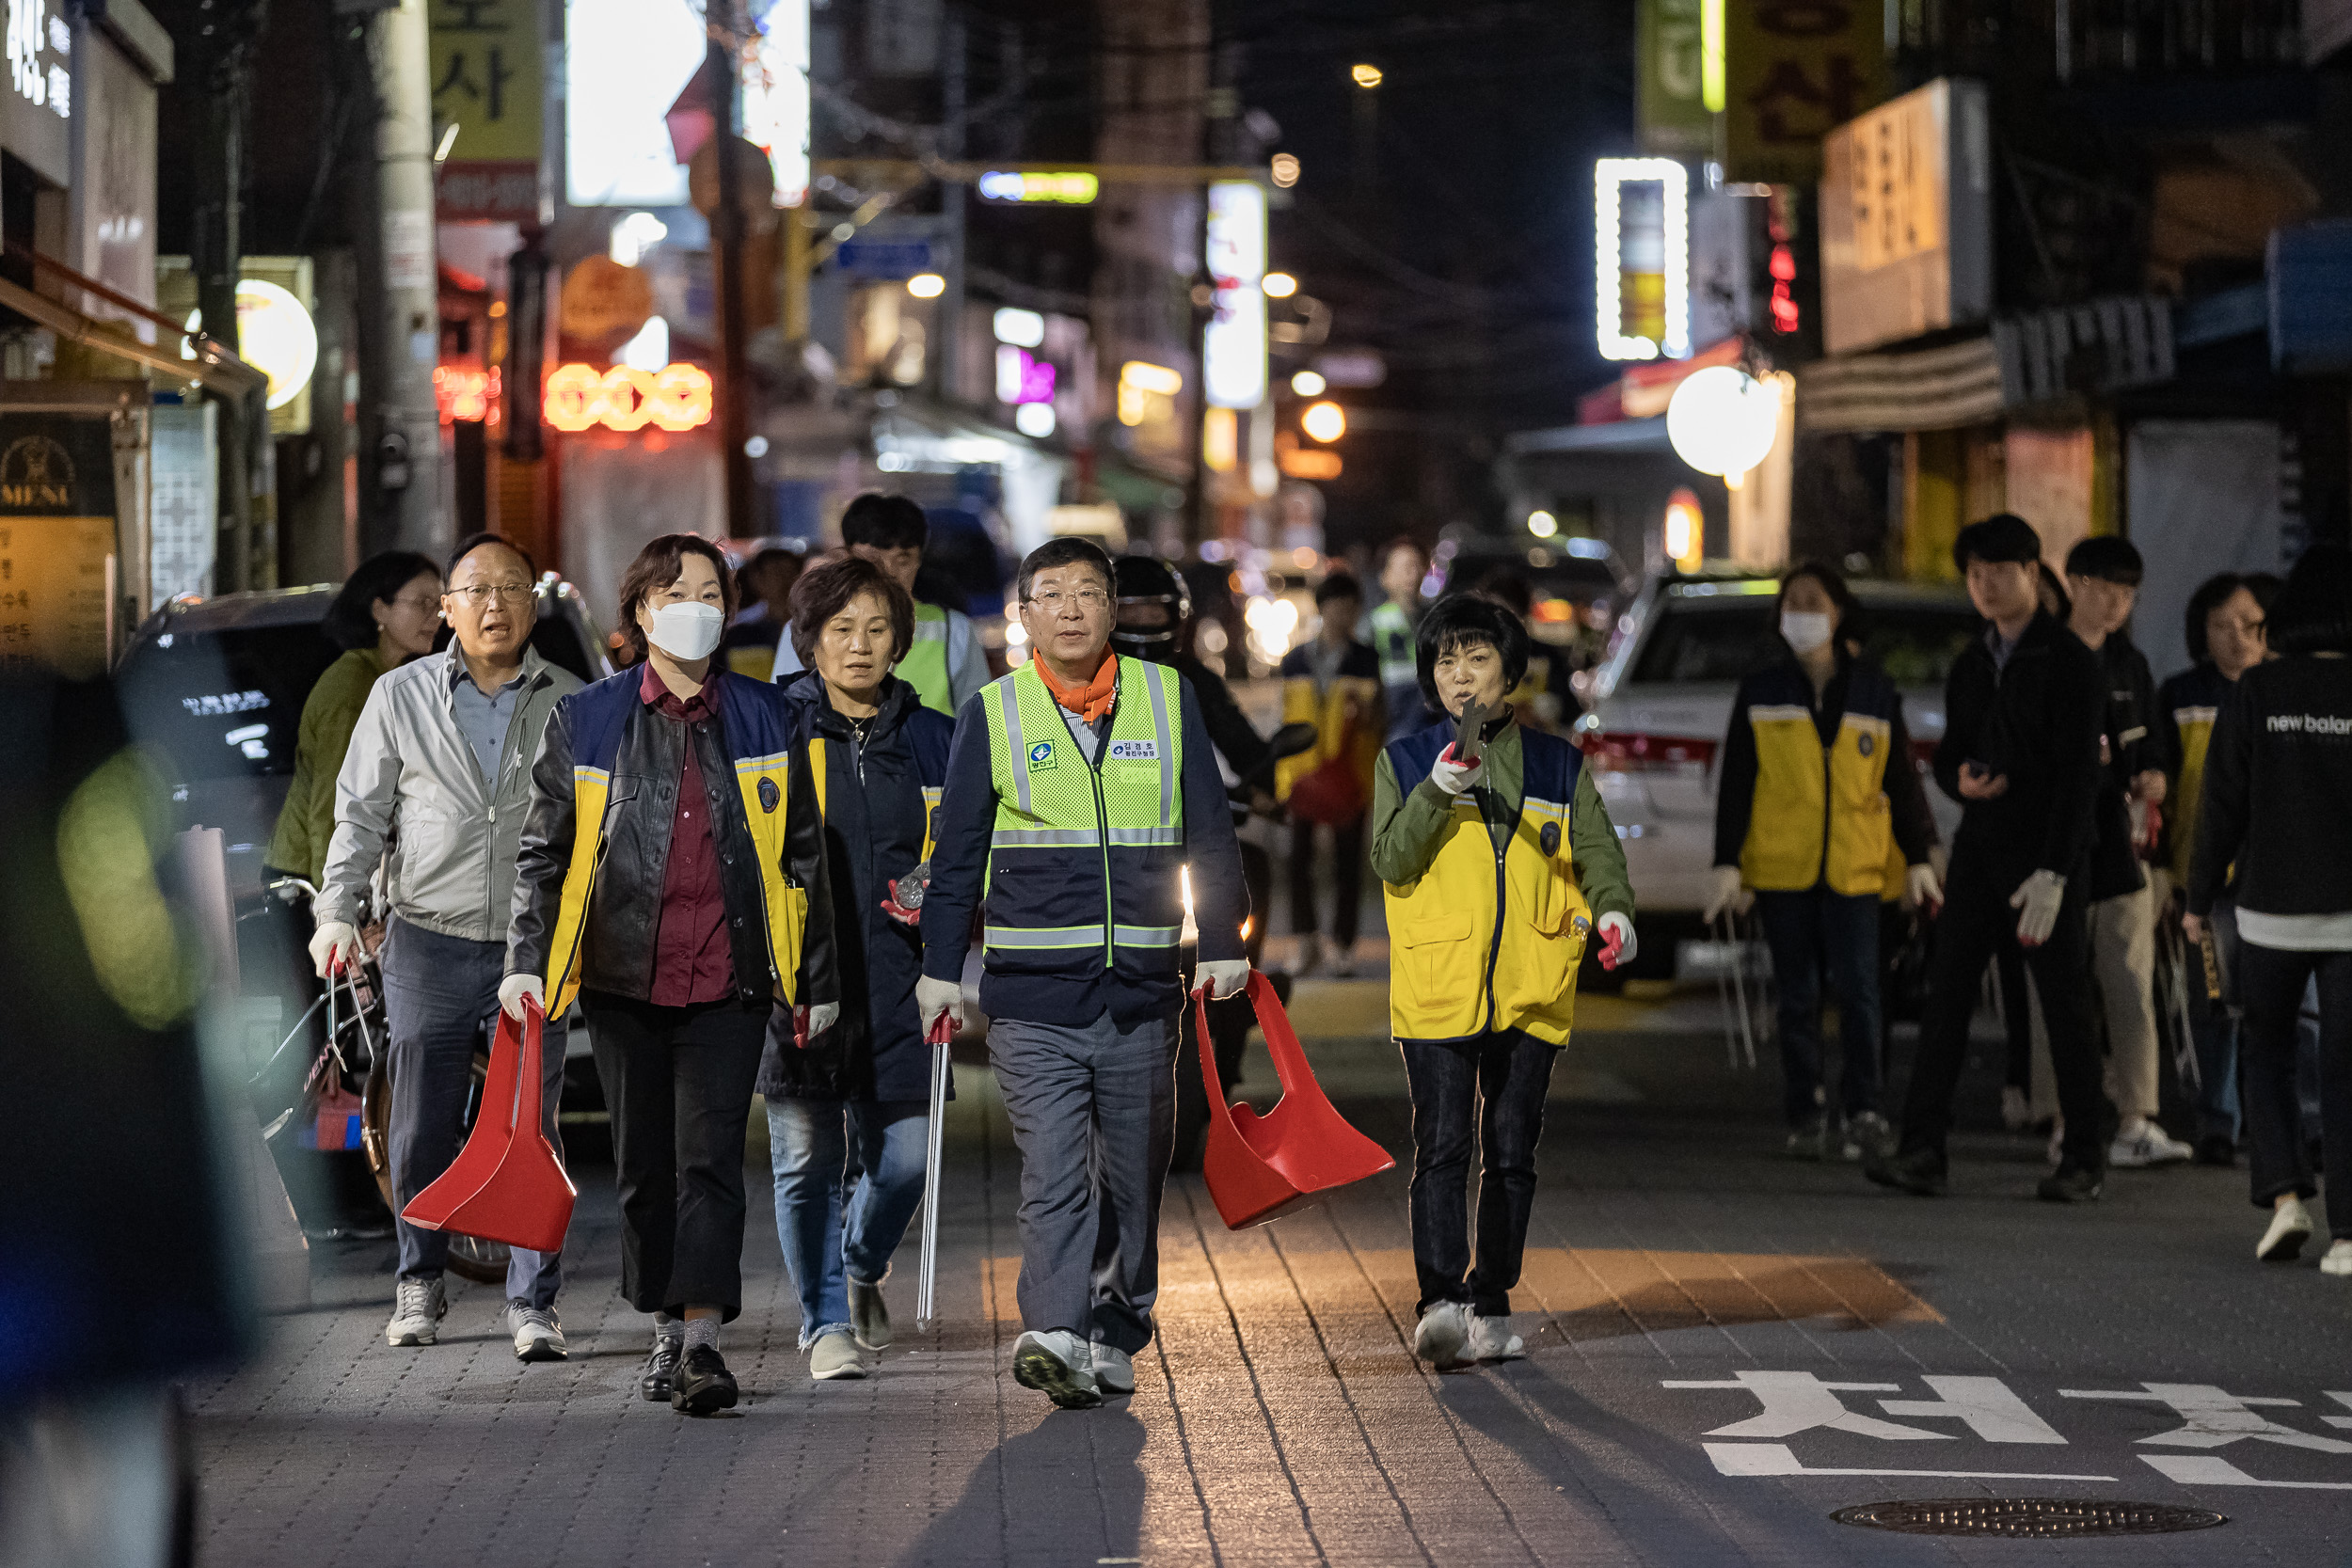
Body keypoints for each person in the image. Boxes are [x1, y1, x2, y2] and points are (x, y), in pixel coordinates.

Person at [505, 533, 837, 1416]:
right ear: (642, 611)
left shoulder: (770, 716)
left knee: (710, 1159)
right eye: (676, 590)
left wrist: (817, 977)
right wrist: (525, 963)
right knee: (645, 1166)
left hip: (732, 978)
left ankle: (700, 1341)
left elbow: (805, 856)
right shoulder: (589, 718)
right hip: (620, 977)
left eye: (711, 592)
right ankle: (661, 1320)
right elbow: (542, 854)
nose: (697, 605)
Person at [915, 537, 1250, 1410]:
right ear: (1022, 616)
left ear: (1112, 610)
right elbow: (957, 860)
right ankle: (1056, 1330)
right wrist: (940, 972)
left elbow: (1211, 833)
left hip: (1142, 991)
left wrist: (1220, 939)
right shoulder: (995, 712)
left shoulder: (1168, 699)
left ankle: (1116, 1322)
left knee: (1135, 1177)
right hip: (1032, 998)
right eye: (1050, 594)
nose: (1070, 608)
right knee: (1056, 1173)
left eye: (1088, 593)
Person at [309, 534, 582, 1360]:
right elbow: (359, 814)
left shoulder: (572, 699)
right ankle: (419, 1280)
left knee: (531, 1124)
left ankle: (534, 1303)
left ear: (533, 604)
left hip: (534, 947)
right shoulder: (399, 695)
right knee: (421, 1122)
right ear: (448, 610)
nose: (494, 604)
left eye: (511, 587)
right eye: (476, 590)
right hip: (427, 937)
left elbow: (600, 828)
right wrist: (337, 909)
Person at [1372, 594, 1634, 1369]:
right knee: (1443, 1145)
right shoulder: (1405, 761)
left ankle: (1492, 1299)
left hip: (1533, 977)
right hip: (1438, 983)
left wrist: (1615, 913)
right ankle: (1439, 1301)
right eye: (1445, 661)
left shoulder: (1557, 762)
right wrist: (1436, 792)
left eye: (1476, 658)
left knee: (1512, 1150)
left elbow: (1598, 853)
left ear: (1508, 672)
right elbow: (1391, 858)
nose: (1459, 676)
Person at [1866, 514, 2112, 1202]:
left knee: (2065, 1005)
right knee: (1948, 996)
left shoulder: (2068, 661)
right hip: (1981, 849)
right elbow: (1949, 754)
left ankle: (2084, 1156)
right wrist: (1959, 780)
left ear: (2034, 574)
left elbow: (2077, 776)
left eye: (2000, 573)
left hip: (2046, 854)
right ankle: (1922, 1148)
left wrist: (2058, 871)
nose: (1987, 586)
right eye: (1975, 575)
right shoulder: (1974, 660)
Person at [762, 555, 952, 1382]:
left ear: (900, 640)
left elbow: (963, 848)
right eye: (841, 629)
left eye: (877, 628)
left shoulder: (935, 735)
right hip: (802, 981)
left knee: (904, 1159)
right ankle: (824, 1319)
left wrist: (934, 888)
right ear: (809, 640)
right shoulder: (776, 729)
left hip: (902, 980)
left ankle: (861, 1261)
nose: (860, 645)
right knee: (804, 1160)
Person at [1706, 561, 1940, 1163]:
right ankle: (1805, 1111)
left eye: (1813, 602)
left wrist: (1918, 857)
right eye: (1792, 603)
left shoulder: (1874, 688)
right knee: (1797, 997)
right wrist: (1727, 862)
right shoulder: (1761, 689)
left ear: (1838, 613)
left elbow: (1902, 779)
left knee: (1864, 994)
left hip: (1856, 869)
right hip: (1784, 869)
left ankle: (1865, 1108)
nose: (1801, 614)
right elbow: (1737, 781)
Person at [2185, 544, 2352, 1274]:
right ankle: (2349, 1234)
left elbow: (2220, 804)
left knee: (2267, 1048)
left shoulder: (2257, 689)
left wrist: (2197, 900)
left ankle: (2285, 1196)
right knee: (2347, 1068)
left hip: (2267, 909)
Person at [1108, 553, 1279, 1172]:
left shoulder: (1194, 681)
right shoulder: (1089, 679)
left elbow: (1244, 744)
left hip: (1196, 844)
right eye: (1131, 609)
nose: (1143, 619)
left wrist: (1262, 781)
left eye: (1154, 609)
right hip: (1122, 858)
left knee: (1249, 874)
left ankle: (1235, 1009)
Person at [2033, 535, 2192, 1168]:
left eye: (2128, 594)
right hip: (2057, 845)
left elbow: (2152, 740)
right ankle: (2065, 1117)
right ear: (2075, 583)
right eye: (2106, 589)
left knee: (2129, 977)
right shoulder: (2045, 656)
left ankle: (2137, 1115)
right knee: (2061, 983)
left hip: (2123, 844)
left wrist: (2153, 772)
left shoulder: (2130, 664)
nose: (2118, 604)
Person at [2158, 571, 2275, 1164]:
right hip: (2201, 880)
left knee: (2271, 1007)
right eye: (2220, 626)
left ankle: (2275, 1122)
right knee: (2211, 1003)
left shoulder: (2280, 692)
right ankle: (2217, 1121)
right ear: (2200, 633)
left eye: (2248, 625)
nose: (2235, 637)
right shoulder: (2180, 696)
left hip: (2271, 882)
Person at [265, 550, 442, 886]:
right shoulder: (353, 688)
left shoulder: (394, 680)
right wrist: (335, 909)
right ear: (380, 610)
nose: (437, 616)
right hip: (304, 885)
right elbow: (333, 808)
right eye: (422, 603)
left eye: (439, 602)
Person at [774, 493, 990, 715]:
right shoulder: (808, 627)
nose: (888, 572)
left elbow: (977, 725)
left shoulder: (953, 630)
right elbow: (785, 716)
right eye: (873, 558)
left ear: (919, 561)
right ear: (847, 557)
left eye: (903, 559)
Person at [1277, 571, 1382, 977]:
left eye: (1352, 606)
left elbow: (1379, 719)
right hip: (1302, 774)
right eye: (1337, 605)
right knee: (1298, 860)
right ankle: (1305, 941)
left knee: (1347, 862)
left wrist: (1368, 711)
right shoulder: (1295, 660)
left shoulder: (1366, 658)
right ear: (1322, 608)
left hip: (1349, 775)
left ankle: (1342, 945)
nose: (1345, 614)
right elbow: (1287, 717)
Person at [1369, 535, 1436, 741]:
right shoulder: (1374, 622)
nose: (1412, 575)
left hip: (1429, 725)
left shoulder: (1435, 620)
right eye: (1405, 567)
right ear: (1385, 576)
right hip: (1392, 724)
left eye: (1417, 567)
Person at [723, 544, 805, 679]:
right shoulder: (740, 631)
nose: (785, 581)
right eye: (776, 573)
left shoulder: (809, 627)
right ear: (756, 579)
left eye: (790, 573)